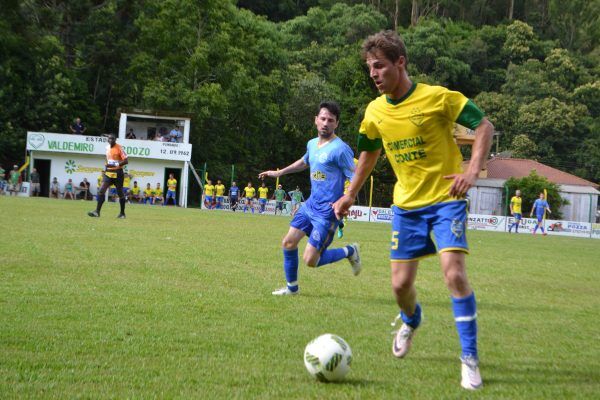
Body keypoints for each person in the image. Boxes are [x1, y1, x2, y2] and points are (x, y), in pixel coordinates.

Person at [332, 31, 495, 390]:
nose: (373, 74)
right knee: (400, 285)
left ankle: (469, 357)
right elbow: (369, 153)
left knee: (453, 275)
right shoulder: (374, 112)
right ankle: (411, 319)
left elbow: (484, 125)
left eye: (380, 66)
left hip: (446, 200)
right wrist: (349, 194)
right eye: (370, 68)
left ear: (400, 63)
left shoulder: (437, 98)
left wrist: (472, 169)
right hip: (406, 207)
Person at [259, 100, 361, 296]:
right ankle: (292, 289)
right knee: (288, 243)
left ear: (336, 124)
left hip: (327, 212)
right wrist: (279, 173)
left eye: (330, 120)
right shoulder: (312, 144)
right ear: (316, 120)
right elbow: (304, 162)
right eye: (322, 118)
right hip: (310, 206)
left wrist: (345, 199)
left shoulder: (340, 149)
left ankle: (350, 251)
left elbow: (355, 177)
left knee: (310, 260)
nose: (326, 123)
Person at [87, 134, 128, 218]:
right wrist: (106, 168)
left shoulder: (120, 148)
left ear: (115, 139)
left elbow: (126, 161)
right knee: (101, 191)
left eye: (112, 138)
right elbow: (108, 160)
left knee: (120, 193)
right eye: (109, 138)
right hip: (108, 173)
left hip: (118, 173)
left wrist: (115, 164)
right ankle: (97, 212)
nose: (111, 140)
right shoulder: (107, 148)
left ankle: (122, 213)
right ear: (108, 139)